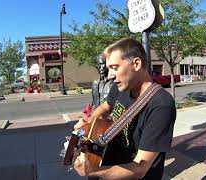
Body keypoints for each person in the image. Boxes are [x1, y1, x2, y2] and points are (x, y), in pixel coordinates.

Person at [73, 37, 176, 180]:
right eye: (109, 69)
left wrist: (93, 171)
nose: (109, 76)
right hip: (107, 164)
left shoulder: (161, 105)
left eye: (114, 68)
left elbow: (140, 168)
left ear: (136, 64)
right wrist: (88, 122)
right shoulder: (121, 86)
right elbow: (105, 107)